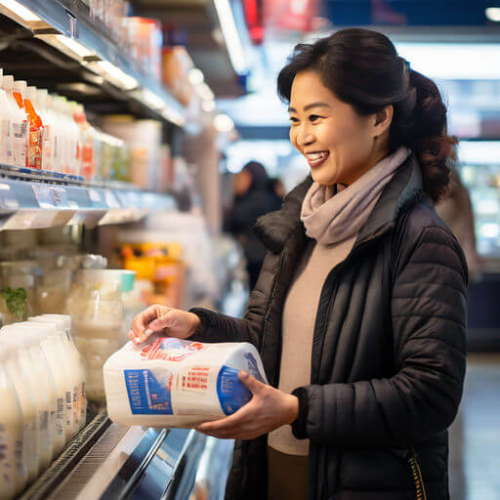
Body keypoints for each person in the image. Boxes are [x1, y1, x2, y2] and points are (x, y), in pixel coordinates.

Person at [130, 28, 468, 500]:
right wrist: (195, 325)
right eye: (294, 119)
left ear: (378, 118)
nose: (301, 137)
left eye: (316, 117)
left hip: (364, 486)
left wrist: (296, 410)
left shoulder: (419, 240)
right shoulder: (301, 226)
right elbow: (266, 340)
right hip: (271, 472)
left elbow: (430, 393)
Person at [226, 161, 282, 289]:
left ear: (253, 178)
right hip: (268, 261)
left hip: (260, 261)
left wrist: (236, 197)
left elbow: (230, 223)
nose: (237, 182)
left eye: (242, 177)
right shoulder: (270, 196)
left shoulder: (256, 202)